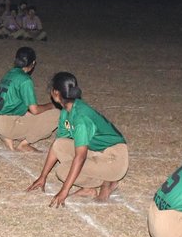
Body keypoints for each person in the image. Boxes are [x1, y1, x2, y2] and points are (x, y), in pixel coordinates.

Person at [26, 72, 128, 206]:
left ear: (56, 93)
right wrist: (42, 177)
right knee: (60, 144)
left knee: (62, 172)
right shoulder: (67, 110)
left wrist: (64, 191)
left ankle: (107, 181)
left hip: (114, 159)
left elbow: (80, 157)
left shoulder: (81, 119)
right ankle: (89, 189)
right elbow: (58, 146)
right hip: (98, 152)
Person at [0, 47, 59, 151]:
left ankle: (7, 136)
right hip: (9, 123)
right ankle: (23, 144)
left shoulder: (9, 73)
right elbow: (35, 110)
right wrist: (51, 105)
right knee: (56, 115)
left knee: (28, 114)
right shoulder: (25, 80)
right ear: (33, 63)